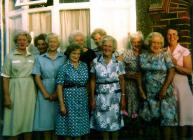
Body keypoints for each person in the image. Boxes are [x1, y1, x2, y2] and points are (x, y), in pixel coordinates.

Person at [139, 32, 178, 140]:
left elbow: (172, 71)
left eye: (158, 43)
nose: (156, 45)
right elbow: (139, 74)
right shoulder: (142, 56)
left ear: (161, 44)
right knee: (152, 121)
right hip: (149, 93)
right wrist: (140, 89)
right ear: (149, 43)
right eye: (153, 42)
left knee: (167, 121)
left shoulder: (166, 55)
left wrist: (164, 88)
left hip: (164, 93)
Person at [1, 31, 36, 140]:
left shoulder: (33, 57)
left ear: (28, 42)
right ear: (16, 42)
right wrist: (6, 96)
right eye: (19, 40)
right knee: (14, 119)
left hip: (30, 90)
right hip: (15, 89)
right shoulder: (10, 56)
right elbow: (5, 77)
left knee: (28, 119)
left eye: (24, 40)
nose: (21, 42)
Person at [90, 35, 126, 140]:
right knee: (103, 125)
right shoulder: (95, 62)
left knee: (115, 125)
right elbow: (92, 80)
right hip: (100, 97)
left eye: (110, 46)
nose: (107, 48)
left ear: (113, 48)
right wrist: (92, 98)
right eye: (105, 45)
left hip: (115, 97)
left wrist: (123, 97)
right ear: (101, 47)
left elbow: (122, 79)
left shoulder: (118, 62)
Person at [32, 33, 65, 140]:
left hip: (60, 90)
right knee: (45, 121)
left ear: (58, 44)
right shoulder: (40, 58)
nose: (52, 44)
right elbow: (37, 76)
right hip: (44, 89)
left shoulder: (63, 58)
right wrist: (45, 93)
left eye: (55, 42)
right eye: (50, 42)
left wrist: (56, 93)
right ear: (47, 43)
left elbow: (66, 76)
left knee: (56, 121)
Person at [55, 44, 90, 140]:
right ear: (69, 54)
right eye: (74, 53)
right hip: (69, 99)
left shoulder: (84, 66)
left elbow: (87, 83)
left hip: (82, 99)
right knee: (69, 126)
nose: (76, 56)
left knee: (80, 127)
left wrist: (89, 99)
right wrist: (62, 104)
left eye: (78, 54)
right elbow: (59, 86)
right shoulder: (64, 67)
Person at [166, 25, 193, 139]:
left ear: (178, 37)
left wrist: (176, 65)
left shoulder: (184, 51)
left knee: (183, 115)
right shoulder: (163, 50)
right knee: (170, 117)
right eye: (169, 34)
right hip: (167, 86)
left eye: (174, 34)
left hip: (181, 87)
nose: (171, 36)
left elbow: (188, 71)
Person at [120, 31, 146, 136]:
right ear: (131, 42)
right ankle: (130, 129)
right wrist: (129, 76)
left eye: (138, 42)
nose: (136, 44)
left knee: (142, 105)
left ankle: (141, 128)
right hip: (130, 84)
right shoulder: (126, 53)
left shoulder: (146, 53)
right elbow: (119, 70)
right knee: (131, 105)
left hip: (144, 84)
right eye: (134, 42)